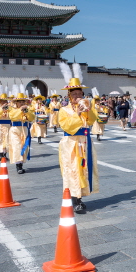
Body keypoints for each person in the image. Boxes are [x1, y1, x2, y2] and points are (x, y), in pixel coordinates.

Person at [57, 66, 99, 212]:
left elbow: (93, 120)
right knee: (72, 170)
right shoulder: (64, 110)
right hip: (71, 143)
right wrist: (77, 114)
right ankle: (75, 200)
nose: (77, 96)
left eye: (79, 93)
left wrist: (88, 109)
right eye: (73, 94)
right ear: (69, 96)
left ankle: (80, 196)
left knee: (83, 169)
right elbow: (67, 127)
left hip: (84, 142)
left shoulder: (85, 107)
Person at [0, 90, 34, 174]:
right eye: (20, 102)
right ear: (16, 103)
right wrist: (3, 108)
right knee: (17, 146)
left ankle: (21, 163)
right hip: (14, 130)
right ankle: (18, 166)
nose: (22, 103)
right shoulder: (12, 109)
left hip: (24, 130)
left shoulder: (27, 109)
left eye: (23, 102)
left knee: (23, 148)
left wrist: (27, 111)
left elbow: (32, 118)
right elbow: (12, 116)